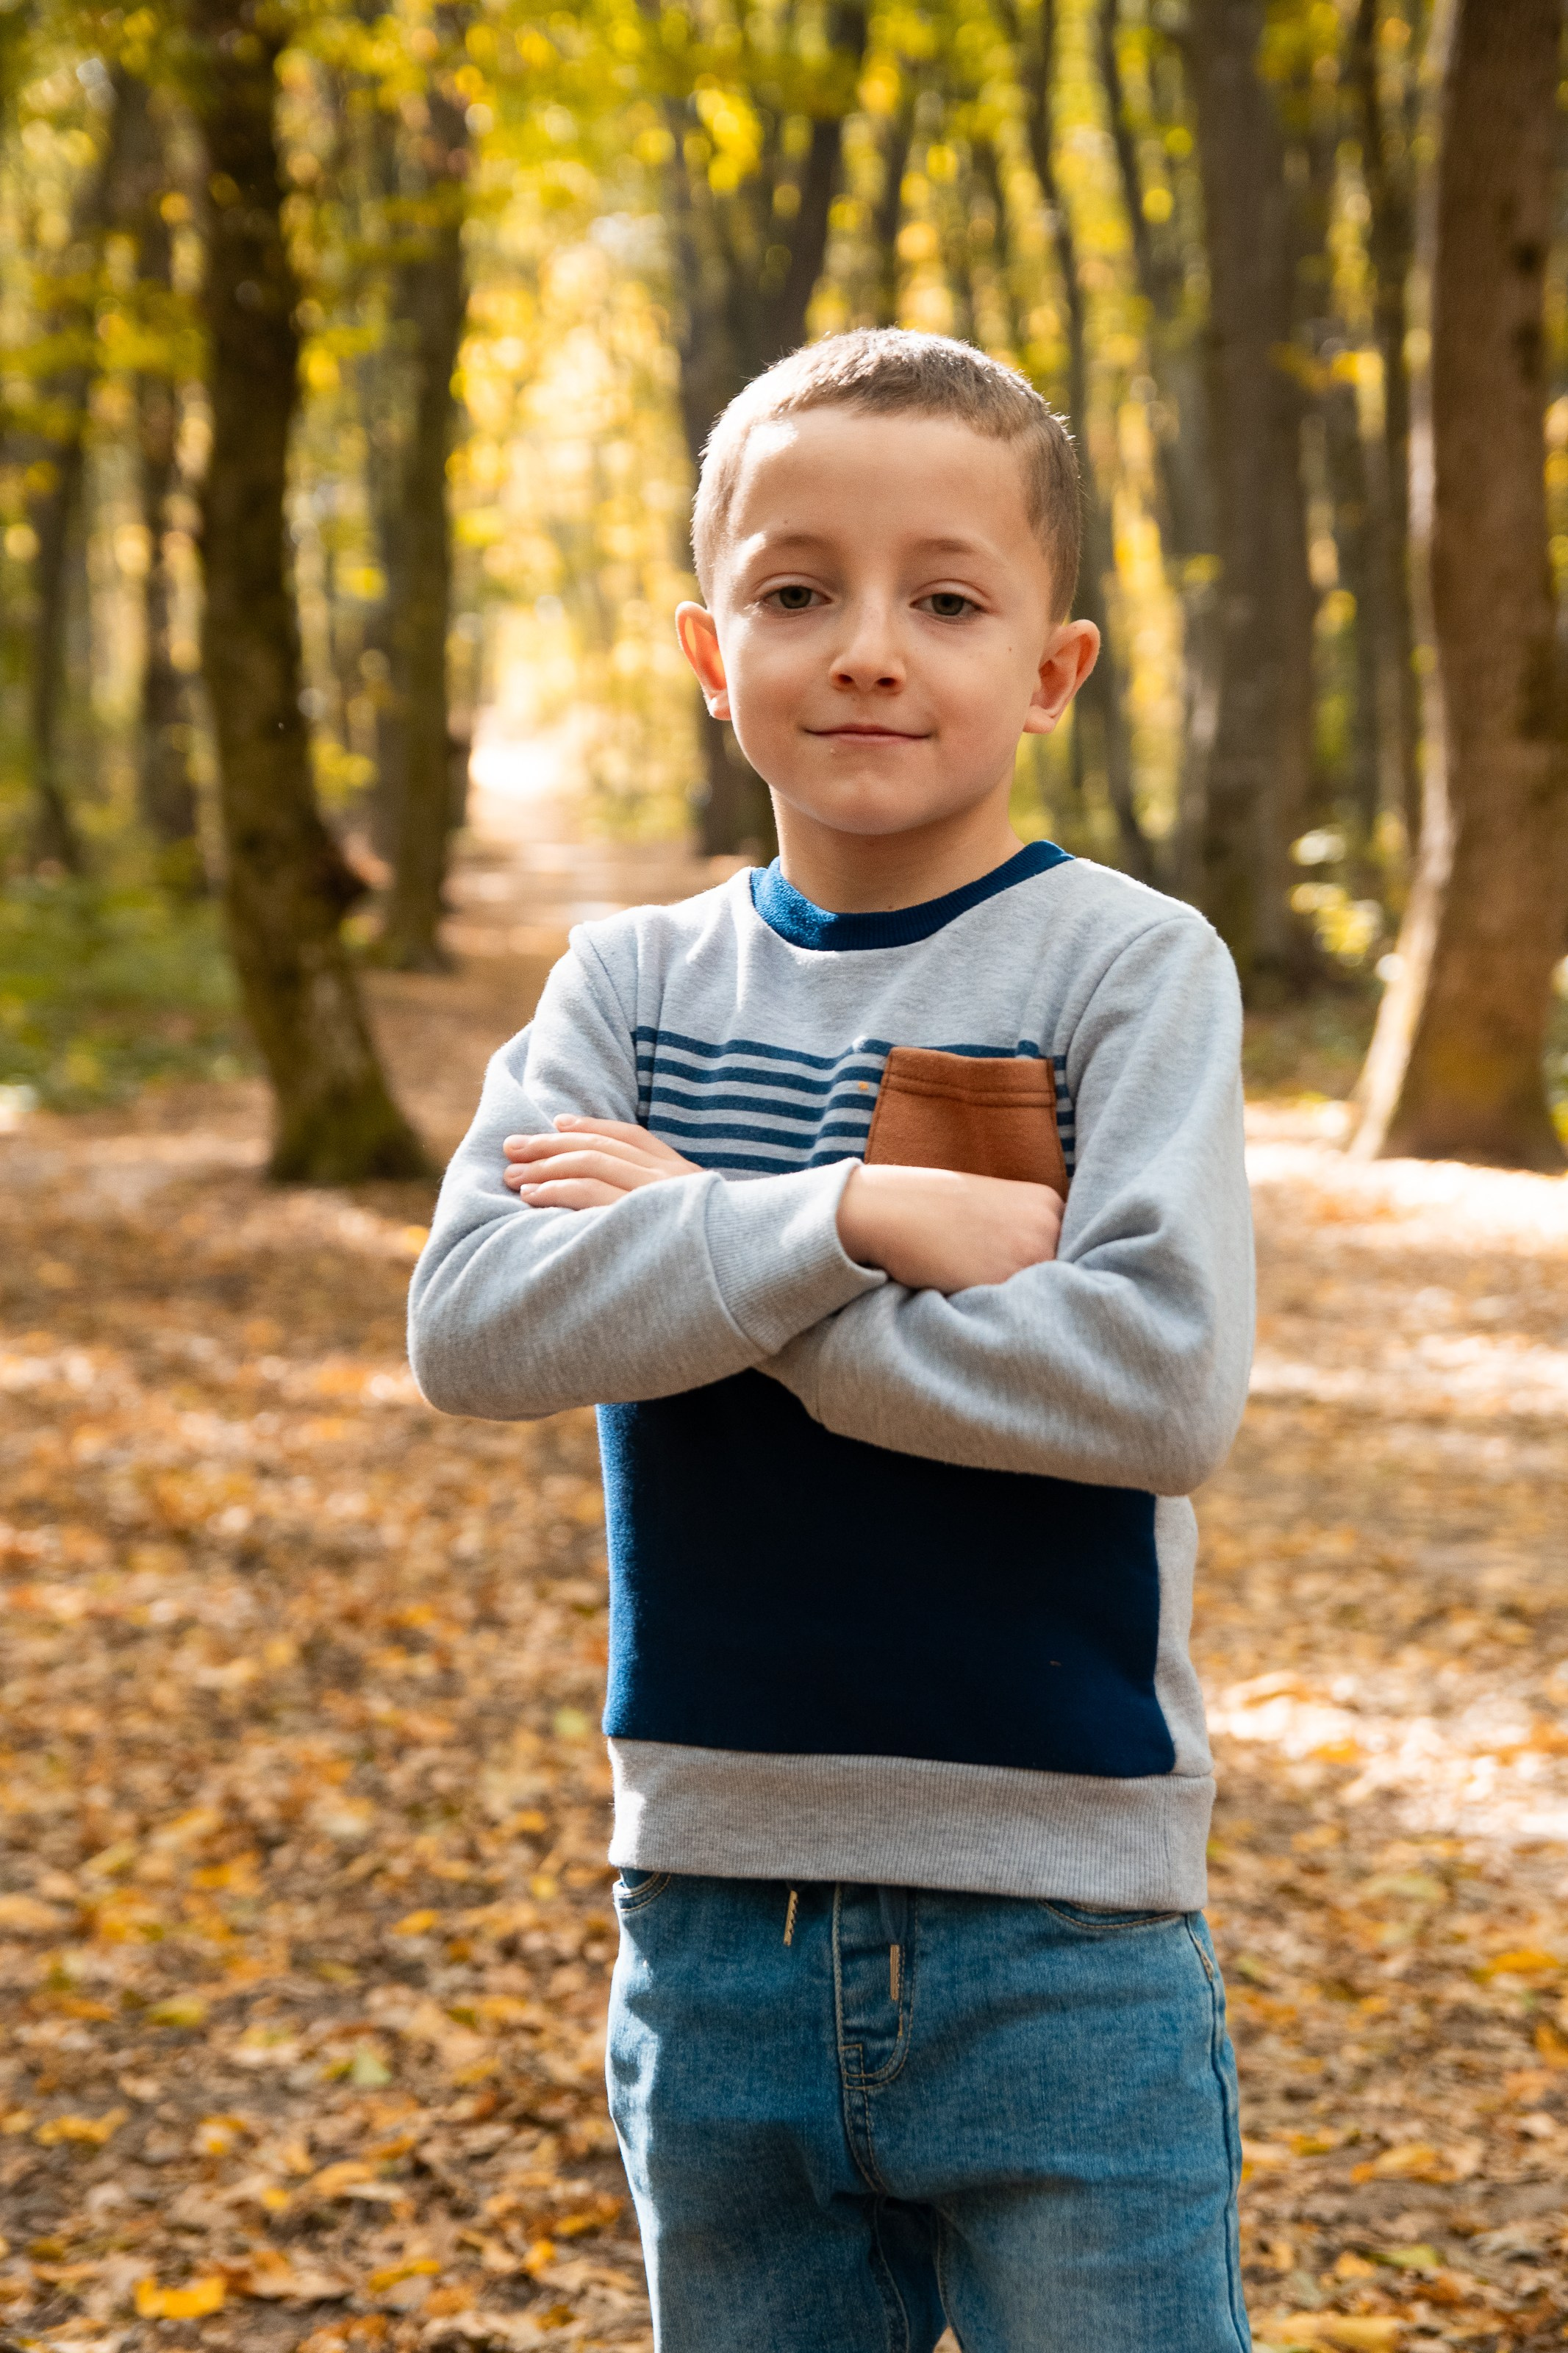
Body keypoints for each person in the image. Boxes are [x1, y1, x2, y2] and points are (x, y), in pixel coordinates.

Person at [408, 327, 1255, 2353]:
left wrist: (696, 1268)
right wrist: (845, 1218)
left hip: (1069, 1928)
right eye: (799, 592)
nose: (869, 647)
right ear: (713, 655)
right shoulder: (628, 982)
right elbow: (473, 1326)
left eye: (946, 599)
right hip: (713, 1931)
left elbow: (1146, 1382)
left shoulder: (1126, 969)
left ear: (1051, 666)